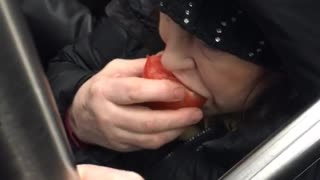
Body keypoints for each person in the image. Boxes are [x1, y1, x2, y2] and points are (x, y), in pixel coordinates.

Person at [47, 0, 320, 179]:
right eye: (169, 15)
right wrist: (76, 115)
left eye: (211, 44)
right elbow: (71, 65)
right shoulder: (142, 19)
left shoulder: (298, 156)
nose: (169, 59)